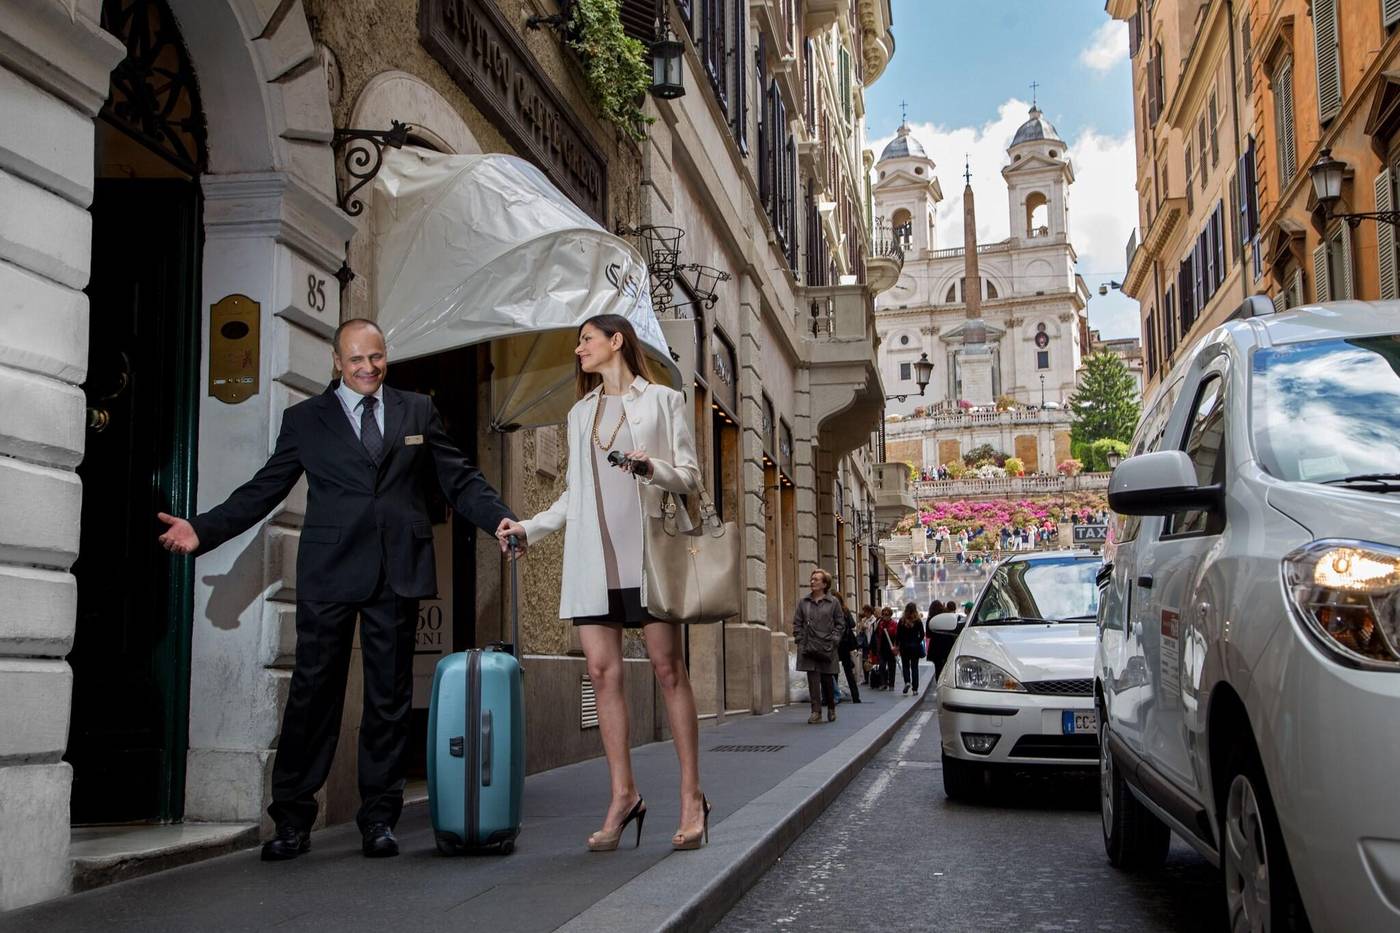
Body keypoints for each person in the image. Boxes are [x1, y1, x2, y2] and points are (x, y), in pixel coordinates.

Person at [156, 318, 526, 861]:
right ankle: (292, 819)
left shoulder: (416, 410)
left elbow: (458, 477)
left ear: (385, 356)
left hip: (397, 569)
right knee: (313, 695)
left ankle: (379, 817)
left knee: (389, 699)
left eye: (375, 357)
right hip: (330, 571)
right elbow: (265, 487)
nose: (368, 368)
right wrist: (204, 527)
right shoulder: (305, 420)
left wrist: (498, 519)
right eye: (356, 359)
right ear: (336, 361)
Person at [513, 314, 709, 853]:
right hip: (594, 561)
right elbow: (572, 495)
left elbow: (691, 477)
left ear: (616, 341)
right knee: (602, 674)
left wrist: (653, 470)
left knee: (669, 671)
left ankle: (692, 797)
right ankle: (623, 794)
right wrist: (529, 527)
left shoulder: (664, 401)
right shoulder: (580, 414)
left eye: (586, 339)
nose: (579, 349)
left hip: (647, 557)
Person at [794, 570, 843, 723]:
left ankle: (831, 707)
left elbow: (840, 624)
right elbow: (797, 623)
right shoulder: (804, 602)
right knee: (813, 681)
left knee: (828, 680)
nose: (812, 582)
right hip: (809, 647)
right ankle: (816, 712)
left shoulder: (833, 602)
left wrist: (834, 639)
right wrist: (800, 638)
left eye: (816, 579)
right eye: (812, 578)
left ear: (824, 584)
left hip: (827, 647)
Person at [834, 592, 862, 704]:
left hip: (836, 643)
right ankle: (856, 697)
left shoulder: (832, 610)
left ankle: (833, 696)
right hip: (845, 644)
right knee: (848, 672)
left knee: (833, 671)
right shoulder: (845, 610)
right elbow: (852, 624)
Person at [896, 603, 925, 694]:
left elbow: (898, 635)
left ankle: (907, 682)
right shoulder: (918, 621)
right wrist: (917, 641)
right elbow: (922, 634)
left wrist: (897, 645)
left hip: (904, 647)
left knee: (905, 666)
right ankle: (915, 689)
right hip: (915, 647)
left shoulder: (902, 621)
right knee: (914, 667)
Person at [875, 606, 899, 691]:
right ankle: (883, 683)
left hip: (891, 648)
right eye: (884, 614)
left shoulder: (894, 624)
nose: (885, 616)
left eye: (887, 614)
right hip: (882, 648)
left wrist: (896, 647)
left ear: (890, 615)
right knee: (882, 666)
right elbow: (878, 635)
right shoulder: (880, 624)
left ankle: (891, 684)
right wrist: (877, 648)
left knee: (891, 667)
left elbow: (897, 637)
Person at [855, 605, 874, 684]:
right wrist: (861, 627)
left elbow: (872, 630)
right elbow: (860, 631)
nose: (864, 613)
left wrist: (865, 626)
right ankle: (866, 678)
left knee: (871, 660)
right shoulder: (863, 620)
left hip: (871, 641)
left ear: (869, 611)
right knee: (864, 660)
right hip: (864, 643)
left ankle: (873, 676)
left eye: (865, 611)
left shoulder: (873, 619)